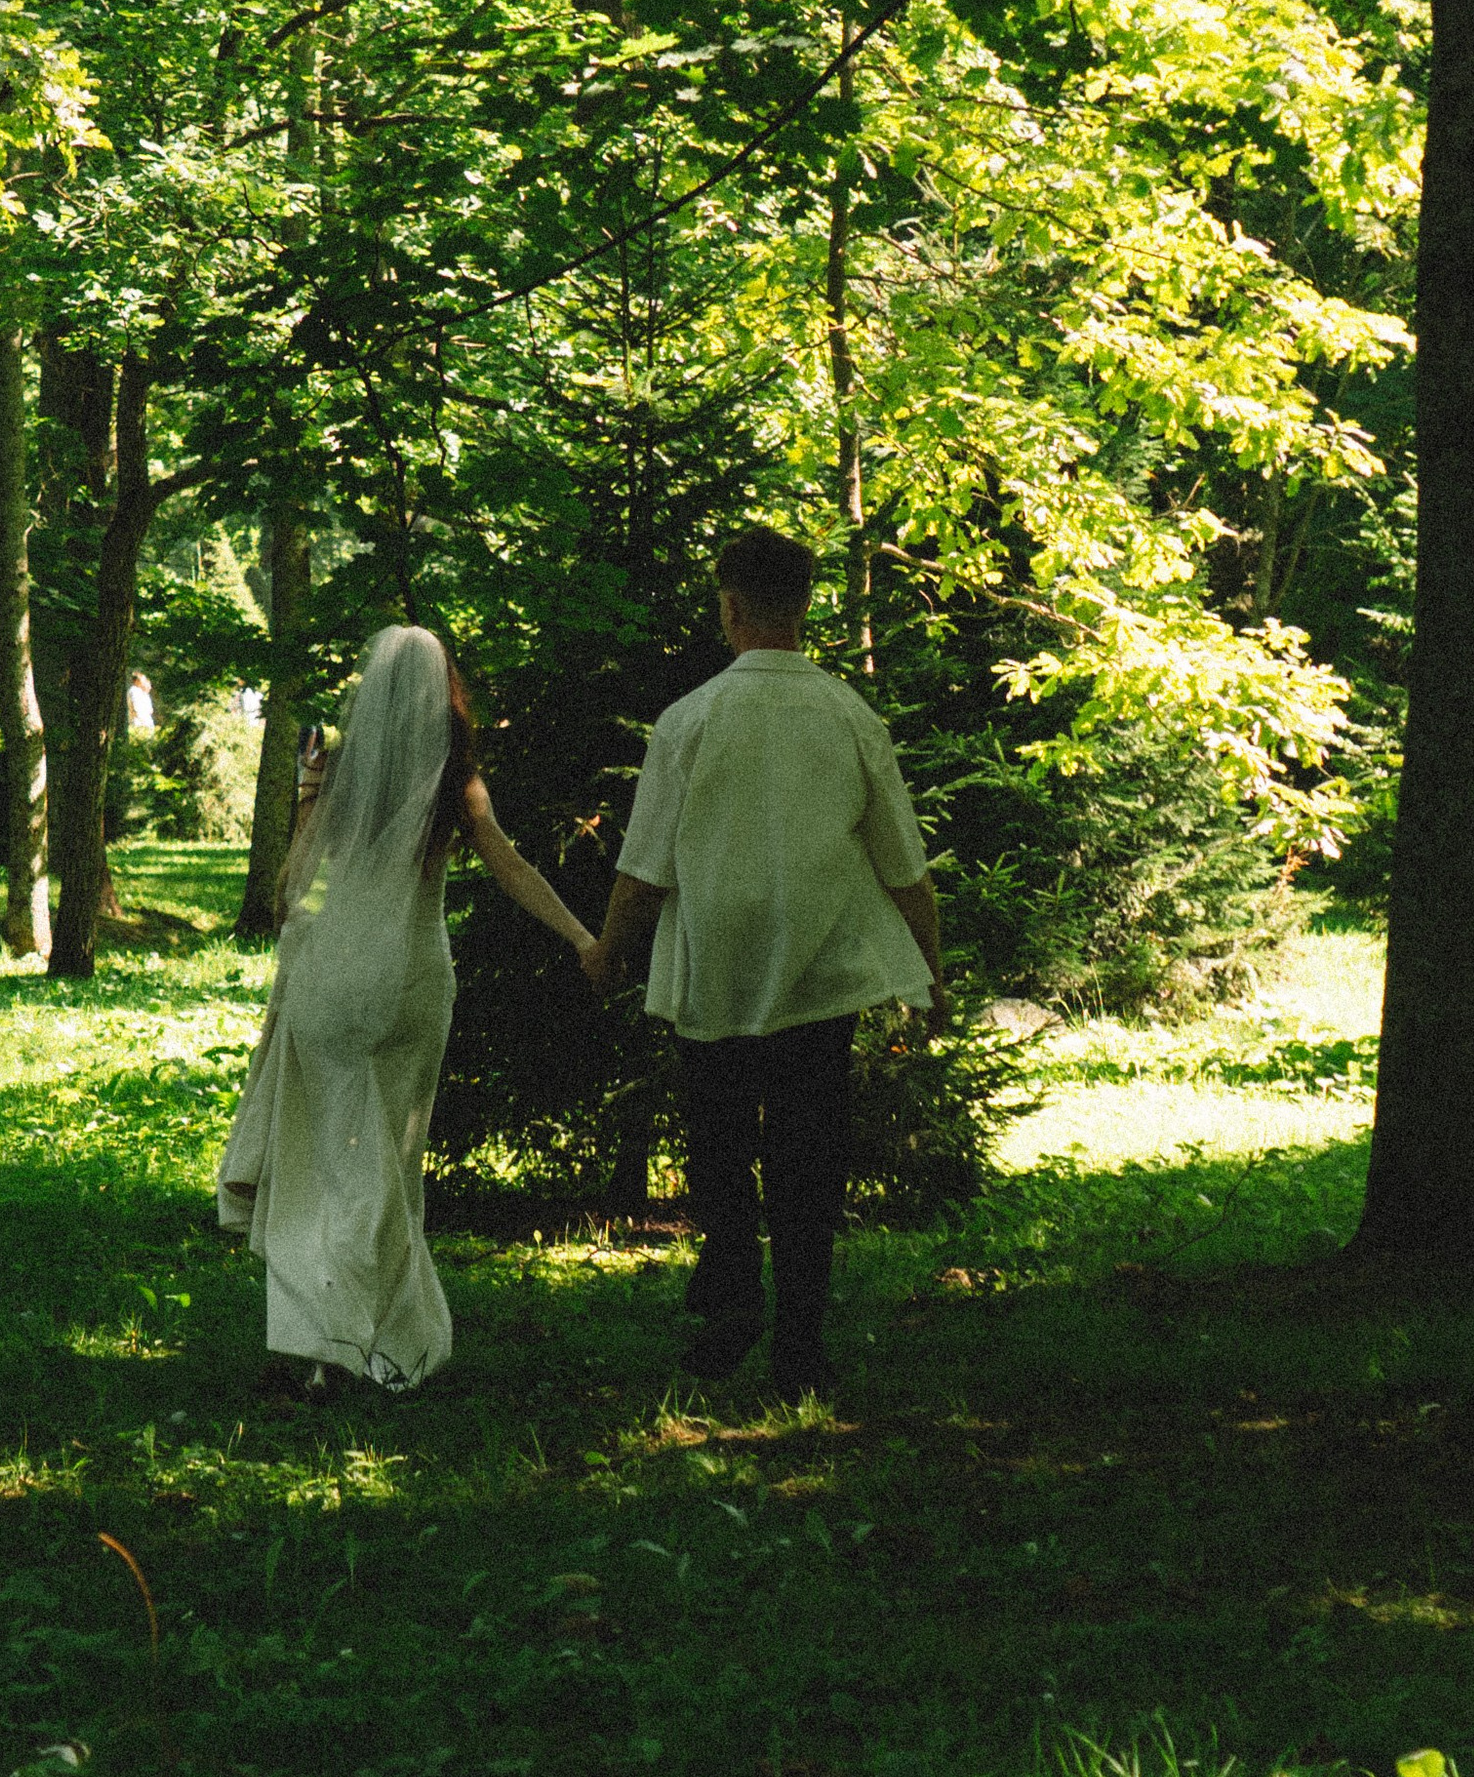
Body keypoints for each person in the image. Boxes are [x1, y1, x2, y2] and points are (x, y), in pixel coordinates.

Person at [583, 527, 945, 1399]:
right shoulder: (849, 716)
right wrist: (931, 976)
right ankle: (800, 1344)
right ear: (807, 606)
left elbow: (644, 865)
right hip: (822, 974)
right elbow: (905, 867)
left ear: (731, 607)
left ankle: (736, 1293)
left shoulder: (691, 718)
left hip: (715, 968)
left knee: (718, 1146)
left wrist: (606, 954)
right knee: (809, 1157)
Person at [216, 625, 596, 1388]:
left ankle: (323, 1341)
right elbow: (511, 867)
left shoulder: (339, 770)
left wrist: (308, 794)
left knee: (320, 1153)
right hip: (408, 978)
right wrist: (583, 937)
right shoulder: (458, 780)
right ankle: (369, 1338)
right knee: (390, 1156)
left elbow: (299, 882)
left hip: (332, 975)